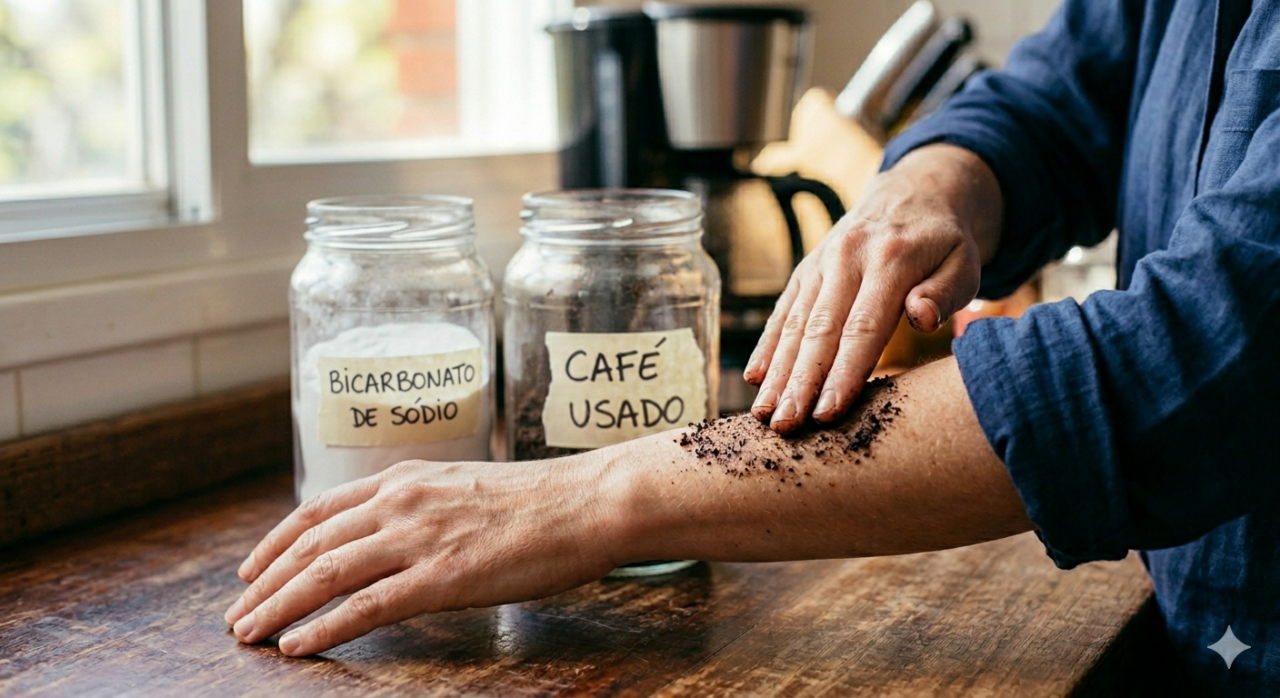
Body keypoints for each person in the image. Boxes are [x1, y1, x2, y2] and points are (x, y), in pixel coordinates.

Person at [225, 0, 1279, 692]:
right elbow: (1064, 93)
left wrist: (590, 493)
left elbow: (1190, 361)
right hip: (1193, 626)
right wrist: (932, 179)